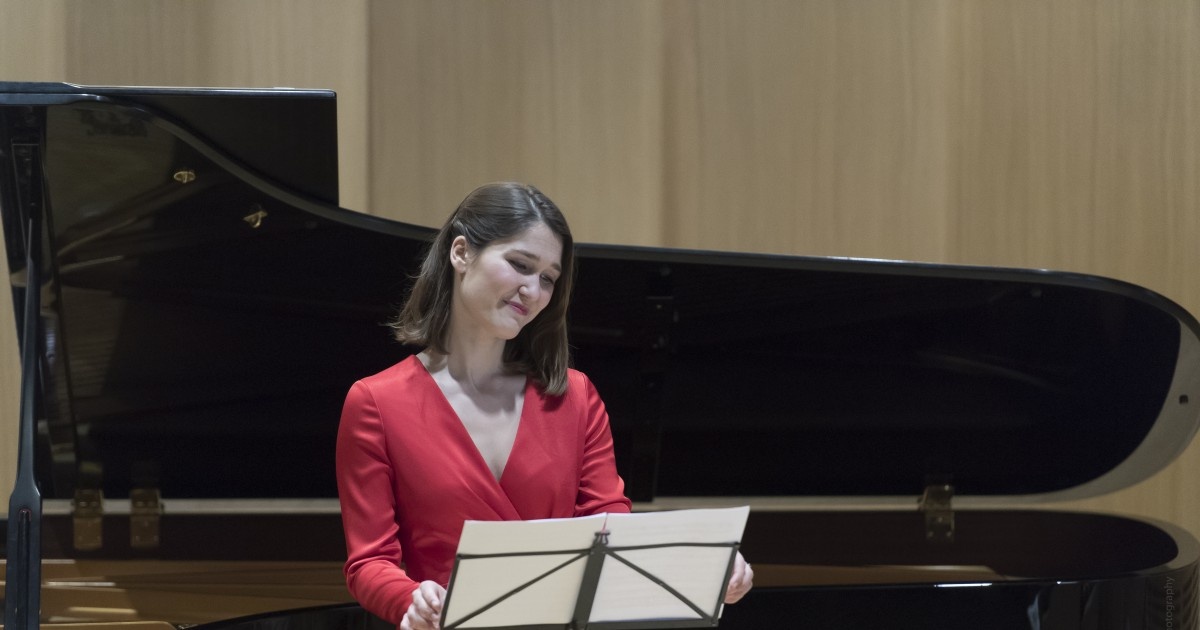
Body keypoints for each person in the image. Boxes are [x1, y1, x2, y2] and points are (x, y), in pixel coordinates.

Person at [336, 182, 753, 629]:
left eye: (548, 278)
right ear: (461, 253)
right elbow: (369, 562)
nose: (533, 291)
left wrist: (705, 564)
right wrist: (410, 599)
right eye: (520, 265)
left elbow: (612, 530)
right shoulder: (376, 403)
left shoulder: (576, 397)